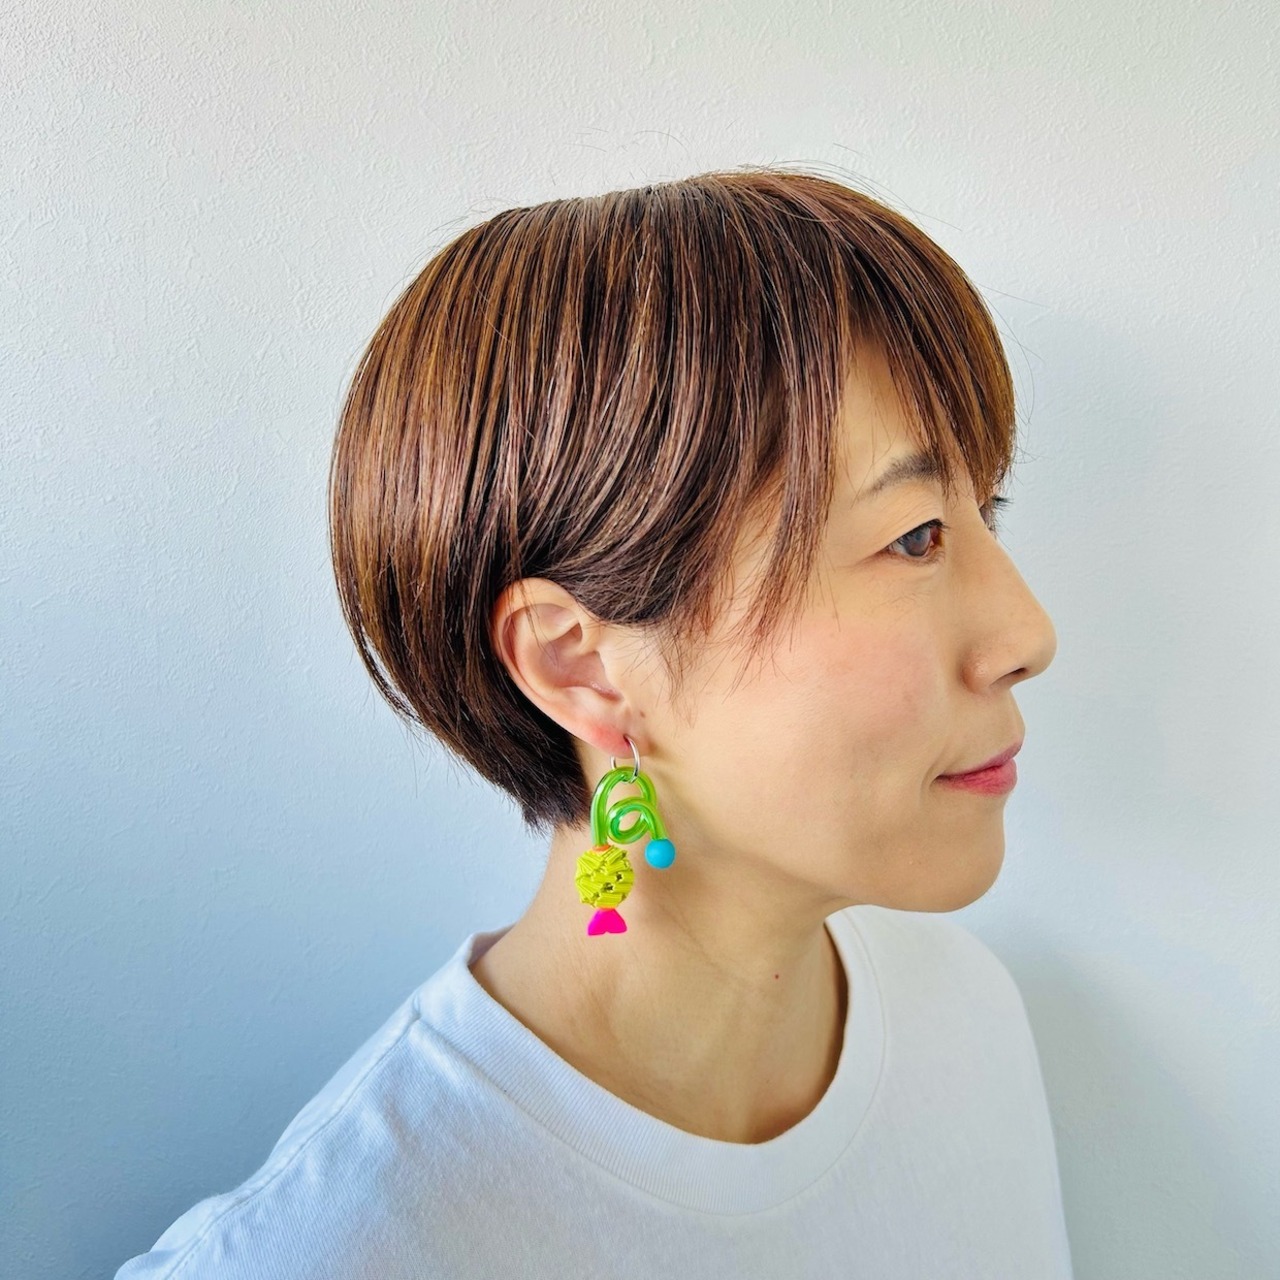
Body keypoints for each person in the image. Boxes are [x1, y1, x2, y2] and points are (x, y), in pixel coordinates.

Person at [116, 165, 1071, 1278]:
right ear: (580, 664)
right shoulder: (334, 1251)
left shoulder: (964, 1016)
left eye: (984, 509)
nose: (1027, 631)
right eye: (912, 537)